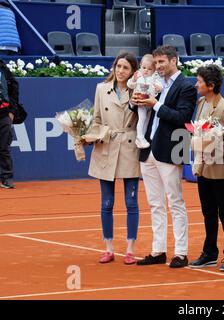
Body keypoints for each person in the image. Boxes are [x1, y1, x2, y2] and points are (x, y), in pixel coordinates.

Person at [132, 45, 197, 269]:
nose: (158, 66)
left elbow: (182, 117)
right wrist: (137, 101)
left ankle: (181, 253)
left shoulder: (186, 86)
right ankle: (158, 250)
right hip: (148, 148)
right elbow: (140, 111)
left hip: (170, 149)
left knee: (175, 201)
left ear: (174, 61)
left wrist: (155, 104)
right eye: (156, 62)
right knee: (154, 203)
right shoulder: (153, 82)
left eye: (162, 62)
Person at [87, 52, 140, 265]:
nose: (120, 71)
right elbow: (97, 119)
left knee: (131, 202)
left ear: (133, 72)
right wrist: (90, 135)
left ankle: (130, 249)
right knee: (106, 202)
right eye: (118, 66)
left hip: (129, 147)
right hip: (106, 147)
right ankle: (108, 247)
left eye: (125, 68)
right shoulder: (101, 88)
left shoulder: (139, 91)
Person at [189, 65, 224, 272]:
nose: (196, 84)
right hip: (203, 167)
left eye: (199, 81)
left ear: (210, 86)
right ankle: (209, 252)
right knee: (208, 211)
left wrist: (211, 149)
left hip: (218, 168)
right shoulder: (201, 103)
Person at [127, 54, 163, 149]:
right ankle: (139, 136)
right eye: (144, 67)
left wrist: (159, 88)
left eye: (150, 69)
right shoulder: (137, 75)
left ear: (155, 70)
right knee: (142, 119)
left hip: (150, 102)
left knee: (147, 121)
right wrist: (134, 80)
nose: (146, 70)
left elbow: (160, 86)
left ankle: (142, 138)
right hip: (141, 102)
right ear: (140, 66)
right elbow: (130, 85)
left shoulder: (155, 77)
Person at [0, 58, 18, 189]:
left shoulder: (4, 70)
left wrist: (12, 111)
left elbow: (14, 89)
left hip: (4, 114)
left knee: (4, 147)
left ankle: (6, 177)